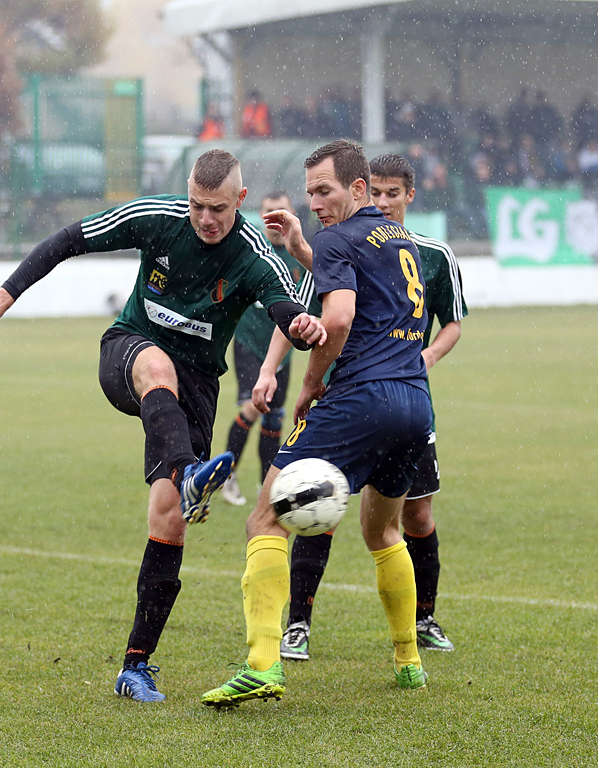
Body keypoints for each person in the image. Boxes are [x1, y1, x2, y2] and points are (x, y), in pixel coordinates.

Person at [0, 149, 325, 703]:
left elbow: (285, 313)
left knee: (167, 517)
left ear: (240, 201)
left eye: (218, 209)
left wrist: (301, 326)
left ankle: (136, 665)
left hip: (196, 389)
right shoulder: (157, 217)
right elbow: (67, 240)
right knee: (157, 366)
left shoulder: (254, 256)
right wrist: (5, 296)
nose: (205, 219)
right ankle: (190, 473)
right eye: (198, 205)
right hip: (129, 352)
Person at [201, 139, 433, 708]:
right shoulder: (400, 237)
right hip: (414, 403)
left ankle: (261, 665)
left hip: (360, 400)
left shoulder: (339, 239)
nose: (315, 203)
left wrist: (307, 384)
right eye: (309, 194)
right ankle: (408, 661)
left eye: (324, 191)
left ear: (358, 187)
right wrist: (303, 247)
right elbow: (359, 283)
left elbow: (341, 314)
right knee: (383, 532)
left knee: (264, 520)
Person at [279, 153, 467, 663]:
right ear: (365, 191)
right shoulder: (347, 240)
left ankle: (421, 619)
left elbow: (450, 321)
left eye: (392, 194)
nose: (383, 202)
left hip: (380, 393)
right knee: (325, 507)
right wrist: (300, 248)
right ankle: (300, 623)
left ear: (409, 195)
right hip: (393, 397)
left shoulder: (428, 252)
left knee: (413, 513)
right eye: (376, 193)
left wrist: (421, 356)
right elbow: (318, 305)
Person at [219, 191, 317, 506]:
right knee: (253, 407)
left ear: (292, 215)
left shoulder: (299, 254)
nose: (275, 218)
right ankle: (227, 474)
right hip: (249, 342)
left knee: (274, 418)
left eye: (282, 211)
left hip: (283, 349)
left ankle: (266, 484)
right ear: (259, 214)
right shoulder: (249, 253)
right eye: (268, 211)